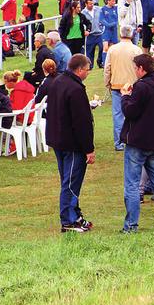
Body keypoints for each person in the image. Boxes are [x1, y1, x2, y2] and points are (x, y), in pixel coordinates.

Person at [121, 53, 154, 232]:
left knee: (132, 184)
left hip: (138, 140)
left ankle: (131, 225)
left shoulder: (141, 87)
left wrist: (125, 96)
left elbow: (131, 111)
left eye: (136, 68)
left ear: (141, 69)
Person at [45, 54, 96, 233]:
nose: (88, 73)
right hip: (72, 144)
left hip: (58, 140)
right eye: (88, 69)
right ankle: (68, 220)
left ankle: (75, 213)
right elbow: (81, 122)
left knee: (67, 180)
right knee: (71, 182)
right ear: (80, 69)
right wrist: (88, 149)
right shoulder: (75, 89)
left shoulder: (57, 82)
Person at [104, 26, 143, 151]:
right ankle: (133, 139)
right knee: (135, 113)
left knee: (118, 115)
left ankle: (119, 142)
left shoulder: (112, 49)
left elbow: (107, 68)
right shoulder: (137, 50)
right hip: (133, 86)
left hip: (117, 86)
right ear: (131, 35)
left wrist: (107, 83)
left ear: (120, 34)